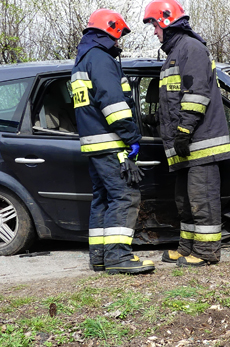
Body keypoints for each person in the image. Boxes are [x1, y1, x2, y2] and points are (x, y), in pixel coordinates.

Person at [143, 0, 230, 267]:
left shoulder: (191, 49)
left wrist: (184, 129)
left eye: (154, 26)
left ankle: (206, 253)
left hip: (200, 143)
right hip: (185, 145)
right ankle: (186, 248)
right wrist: (157, 119)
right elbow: (174, 100)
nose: (154, 32)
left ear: (167, 22)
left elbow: (196, 95)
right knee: (185, 201)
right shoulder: (175, 52)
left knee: (202, 200)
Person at [72, 9, 155, 274]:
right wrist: (131, 136)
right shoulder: (100, 59)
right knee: (125, 196)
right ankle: (118, 257)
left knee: (102, 199)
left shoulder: (83, 60)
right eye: (118, 36)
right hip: (110, 143)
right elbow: (113, 105)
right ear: (110, 32)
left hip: (93, 145)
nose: (119, 42)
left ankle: (99, 257)